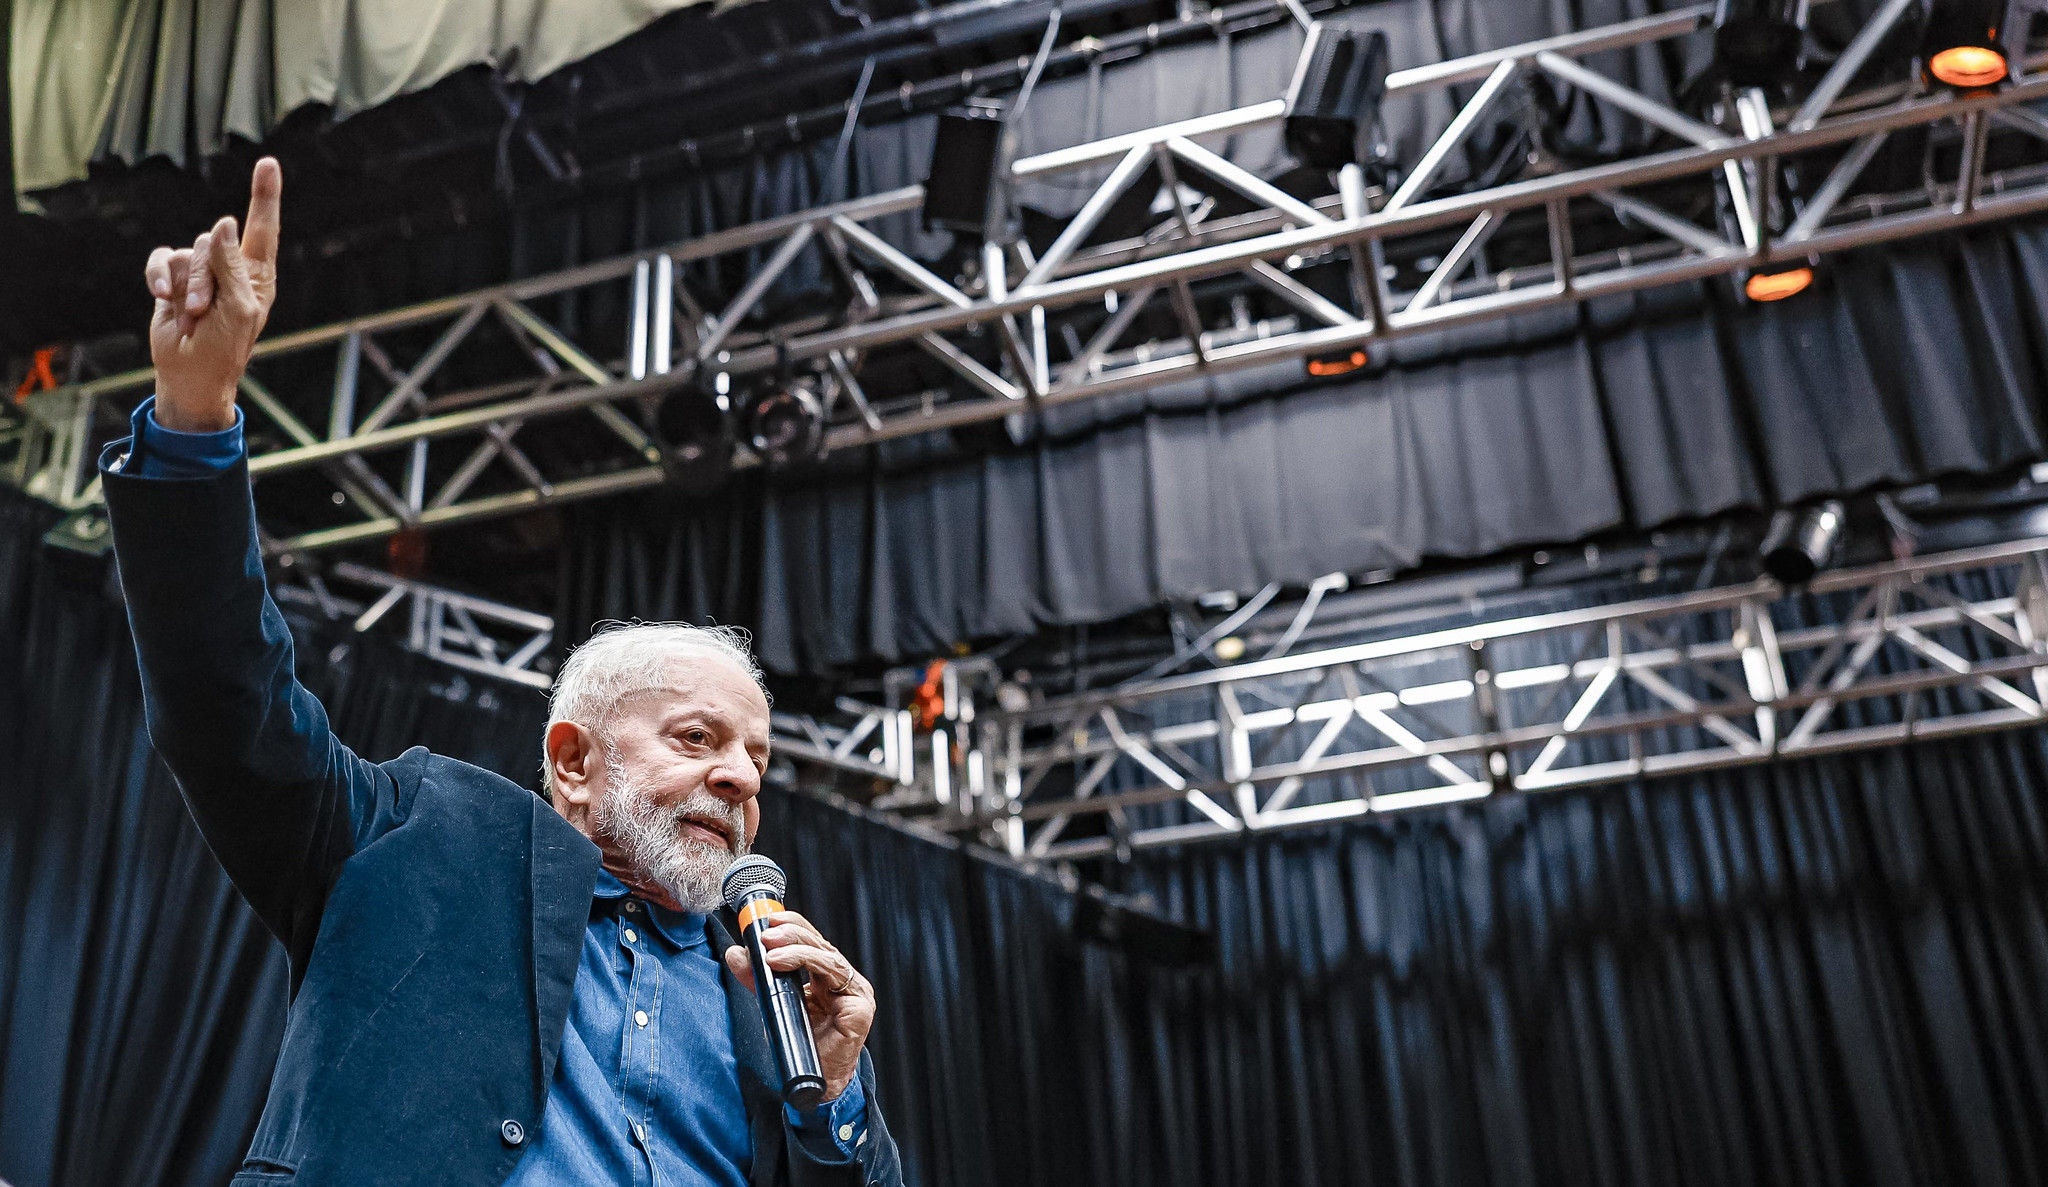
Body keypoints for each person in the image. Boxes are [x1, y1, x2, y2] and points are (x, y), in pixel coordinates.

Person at [99, 157, 903, 1187]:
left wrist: (836, 1097)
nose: (743, 777)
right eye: (698, 738)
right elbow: (225, 705)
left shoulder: (775, 1002)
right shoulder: (421, 834)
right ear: (571, 759)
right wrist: (194, 418)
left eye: (756, 754)